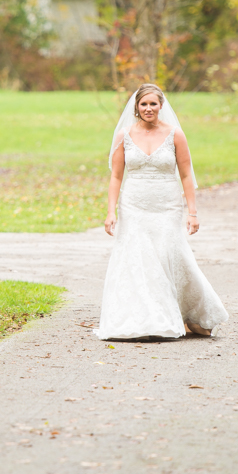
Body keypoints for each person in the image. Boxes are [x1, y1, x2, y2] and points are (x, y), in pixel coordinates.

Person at [95, 83, 228, 340]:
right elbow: (115, 177)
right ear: (136, 107)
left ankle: (193, 313)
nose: (148, 108)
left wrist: (193, 212)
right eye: (143, 104)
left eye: (153, 104)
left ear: (161, 106)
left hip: (167, 205)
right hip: (133, 205)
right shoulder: (124, 135)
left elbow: (187, 174)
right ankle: (146, 319)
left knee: (171, 256)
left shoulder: (175, 134)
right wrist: (111, 212)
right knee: (138, 260)